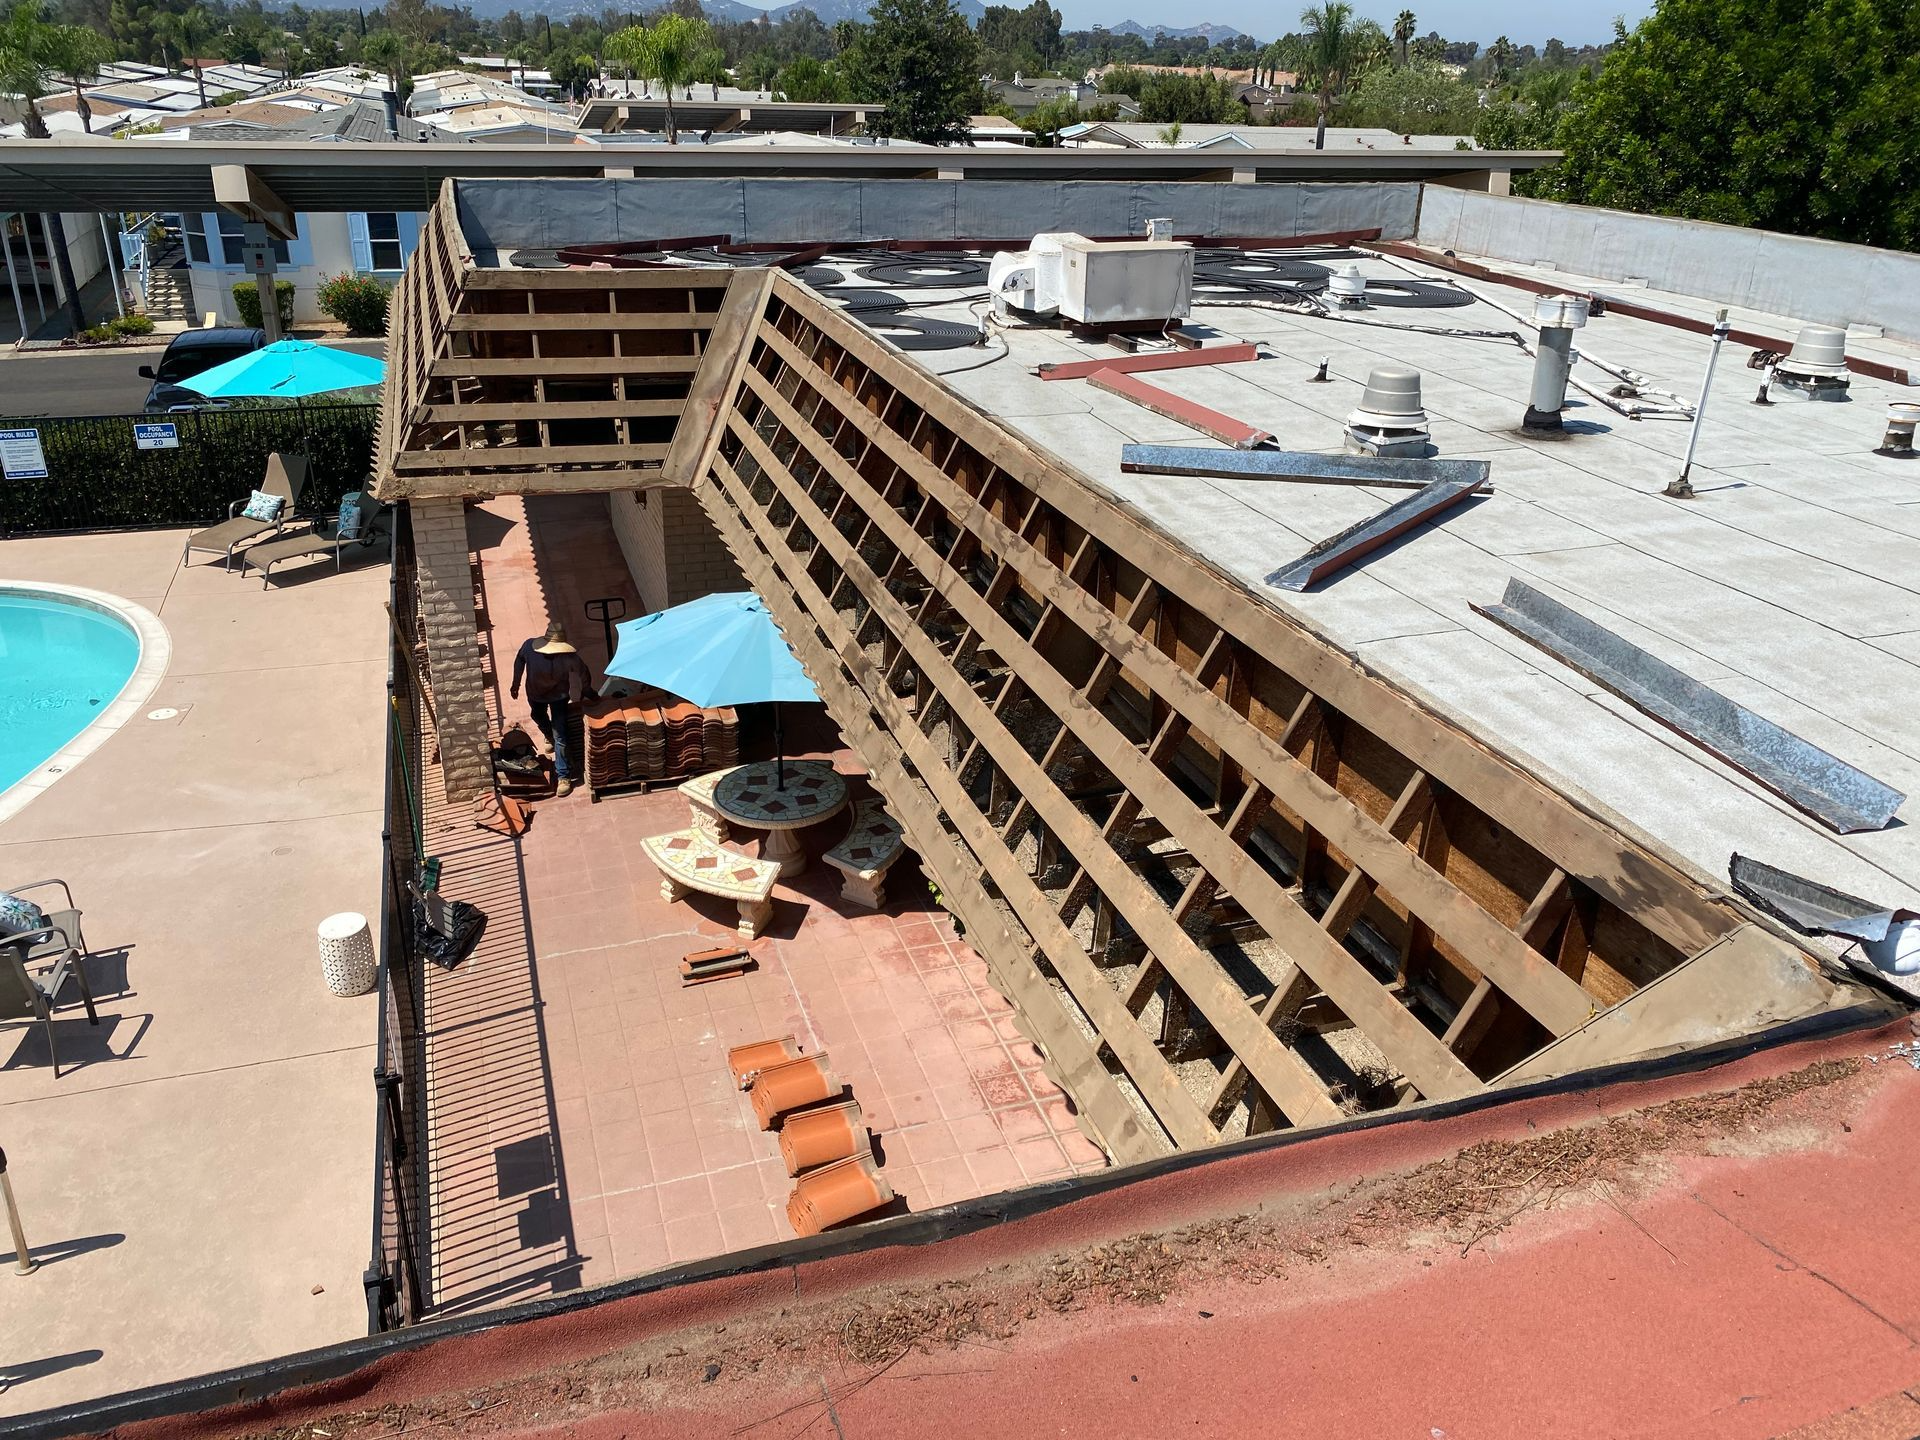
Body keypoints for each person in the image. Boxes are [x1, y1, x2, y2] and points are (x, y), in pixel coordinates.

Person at [510, 621, 596, 797]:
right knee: (537, 716)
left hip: (559, 697)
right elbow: (519, 660)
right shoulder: (529, 647)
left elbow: (583, 671)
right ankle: (548, 734)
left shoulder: (568, 657)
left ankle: (563, 776)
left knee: (560, 735)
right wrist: (515, 684)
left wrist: (587, 689)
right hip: (535, 694)